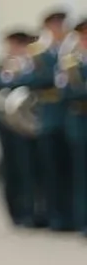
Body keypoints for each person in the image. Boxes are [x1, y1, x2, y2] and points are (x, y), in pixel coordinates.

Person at [0, 28, 41, 227]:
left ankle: (31, 212)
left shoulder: (33, 65)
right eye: (10, 45)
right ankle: (15, 212)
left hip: (26, 126)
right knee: (10, 171)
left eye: (16, 45)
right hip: (5, 125)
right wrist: (12, 75)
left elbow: (37, 82)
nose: (12, 49)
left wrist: (19, 76)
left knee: (28, 169)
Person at [32, 8, 76, 230]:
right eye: (55, 25)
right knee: (51, 170)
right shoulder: (39, 52)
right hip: (49, 117)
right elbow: (39, 79)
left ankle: (72, 216)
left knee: (71, 171)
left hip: (69, 117)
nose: (59, 29)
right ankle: (54, 216)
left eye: (62, 25)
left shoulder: (71, 51)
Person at [61, 18, 87, 238]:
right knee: (82, 176)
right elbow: (67, 92)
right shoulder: (70, 63)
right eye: (84, 36)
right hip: (81, 123)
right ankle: (83, 222)